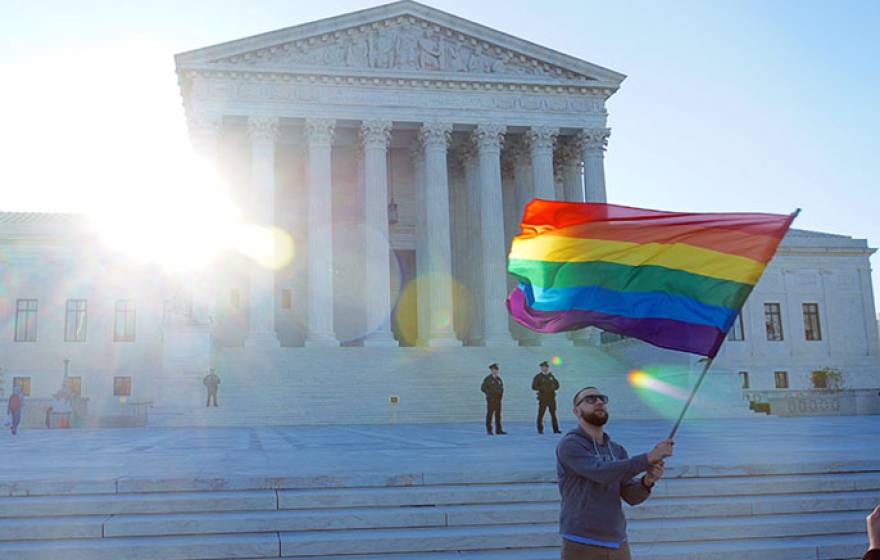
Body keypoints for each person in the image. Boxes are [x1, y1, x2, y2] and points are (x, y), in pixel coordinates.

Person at [556, 386, 674, 560]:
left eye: (602, 398)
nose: (598, 402)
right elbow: (602, 473)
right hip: (581, 543)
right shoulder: (570, 445)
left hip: (618, 543)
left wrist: (647, 480)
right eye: (590, 399)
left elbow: (631, 496)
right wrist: (648, 458)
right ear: (576, 411)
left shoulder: (617, 450)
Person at [532, 361, 561, 434]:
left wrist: (553, 387)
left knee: (553, 414)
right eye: (542, 367)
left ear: (548, 368)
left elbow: (557, 385)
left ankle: (556, 429)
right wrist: (541, 388)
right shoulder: (538, 377)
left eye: (545, 367)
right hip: (543, 398)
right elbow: (533, 386)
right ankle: (540, 429)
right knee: (541, 414)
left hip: (551, 398)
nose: (544, 369)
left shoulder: (551, 376)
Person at [480, 363, 506, 435]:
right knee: (490, 414)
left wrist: (500, 396)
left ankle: (498, 430)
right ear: (491, 370)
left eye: (496, 370)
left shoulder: (499, 379)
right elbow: (483, 388)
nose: (494, 371)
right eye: (493, 370)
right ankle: (489, 430)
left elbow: (501, 388)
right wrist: (490, 394)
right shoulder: (488, 379)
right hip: (491, 400)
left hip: (498, 400)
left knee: (498, 415)